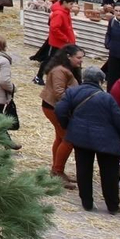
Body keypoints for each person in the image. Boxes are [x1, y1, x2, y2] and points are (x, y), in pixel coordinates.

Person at [57, 66, 120, 213]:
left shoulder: (72, 92)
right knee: (109, 173)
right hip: (107, 140)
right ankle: (113, 206)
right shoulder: (107, 98)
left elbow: (59, 110)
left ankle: (87, 202)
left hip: (80, 137)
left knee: (83, 169)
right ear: (100, 81)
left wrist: (68, 126)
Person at [42, 44, 87, 187]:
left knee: (60, 137)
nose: (81, 61)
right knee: (68, 140)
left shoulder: (66, 69)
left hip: (57, 108)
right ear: (69, 57)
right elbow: (59, 93)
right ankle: (57, 172)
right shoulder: (59, 71)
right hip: (54, 108)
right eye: (78, 58)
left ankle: (56, 170)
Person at [37, 0, 79, 83]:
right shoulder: (59, 14)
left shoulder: (65, 12)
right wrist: (65, 38)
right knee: (50, 59)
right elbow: (54, 28)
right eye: (71, 4)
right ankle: (39, 76)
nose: (72, 6)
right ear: (64, 3)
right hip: (58, 42)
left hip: (64, 42)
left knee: (64, 60)